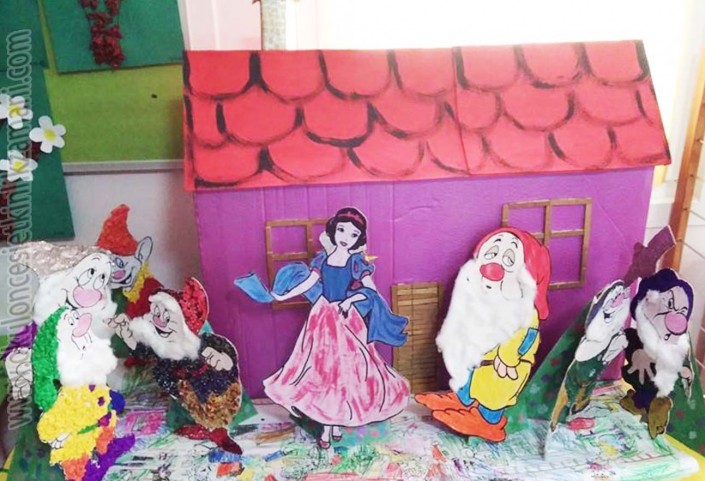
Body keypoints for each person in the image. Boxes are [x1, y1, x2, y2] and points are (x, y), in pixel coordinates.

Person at [236, 207, 410, 449]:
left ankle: (333, 424)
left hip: (346, 319)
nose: (345, 237)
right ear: (333, 230)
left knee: (346, 372)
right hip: (322, 318)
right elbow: (308, 283)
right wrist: (281, 295)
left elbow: (371, 291)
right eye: (341, 230)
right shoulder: (322, 260)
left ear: (359, 238)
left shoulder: (357, 262)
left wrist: (350, 300)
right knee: (323, 371)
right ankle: (329, 425)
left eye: (353, 234)